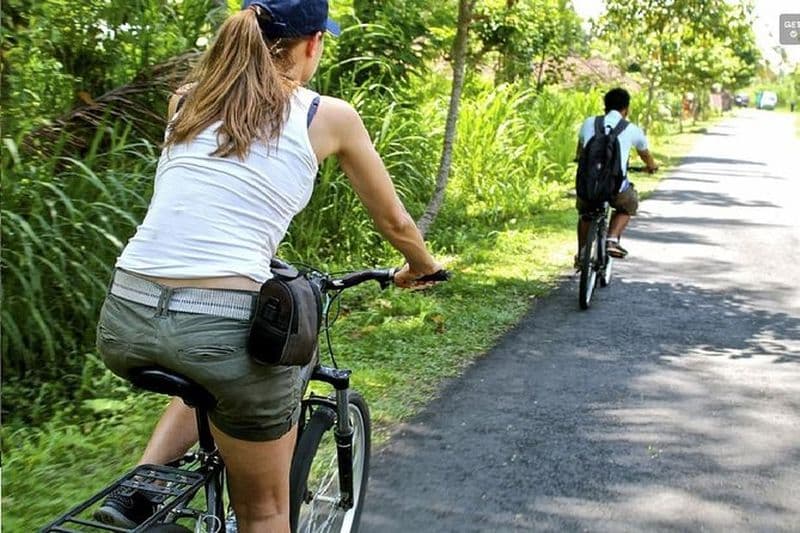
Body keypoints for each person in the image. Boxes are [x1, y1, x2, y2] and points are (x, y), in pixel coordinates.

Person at [93, 1, 443, 531]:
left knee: (209, 367)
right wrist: (422, 266)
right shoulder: (328, 116)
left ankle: (141, 482)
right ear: (312, 43)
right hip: (220, 326)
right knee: (266, 510)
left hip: (125, 316)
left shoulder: (185, 100)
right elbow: (395, 222)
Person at [574, 87, 658, 263]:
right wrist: (651, 167)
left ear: (605, 106)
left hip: (588, 186)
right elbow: (646, 156)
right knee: (629, 204)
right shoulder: (632, 129)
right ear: (626, 109)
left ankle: (582, 253)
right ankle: (612, 239)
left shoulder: (589, 123)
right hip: (615, 188)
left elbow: (580, 153)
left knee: (586, 211)